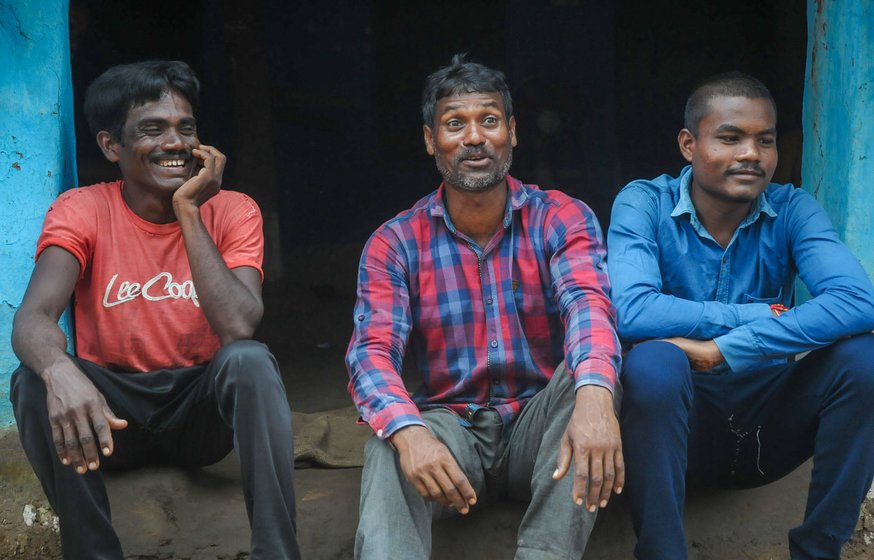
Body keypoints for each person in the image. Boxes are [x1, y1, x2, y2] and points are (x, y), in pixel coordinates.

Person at [10, 60, 300, 560]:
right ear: (110, 146)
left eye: (185, 128)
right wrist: (59, 370)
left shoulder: (233, 210)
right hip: (110, 419)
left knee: (249, 359)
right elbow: (33, 318)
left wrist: (190, 210)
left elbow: (237, 326)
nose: (175, 143)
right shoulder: (83, 208)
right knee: (32, 378)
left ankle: (277, 552)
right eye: (152, 129)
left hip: (198, 412)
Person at [345, 54, 623, 560]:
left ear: (512, 132)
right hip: (452, 432)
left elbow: (589, 307)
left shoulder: (560, 216)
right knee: (388, 439)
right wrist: (409, 432)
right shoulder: (395, 241)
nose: (474, 138)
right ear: (431, 140)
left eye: (489, 121)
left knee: (589, 379)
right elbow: (371, 352)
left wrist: (597, 398)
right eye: (455, 124)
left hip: (540, 434)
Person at [607, 71, 874, 560]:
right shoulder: (643, 201)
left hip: (767, 428)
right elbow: (631, 310)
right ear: (689, 144)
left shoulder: (793, 209)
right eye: (730, 138)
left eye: (764, 140)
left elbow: (859, 302)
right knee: (652, 365)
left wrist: (721, 350)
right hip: (674, 435)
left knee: (867, 358)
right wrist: (752, 315)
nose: (751, 153)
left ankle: (817, 552)